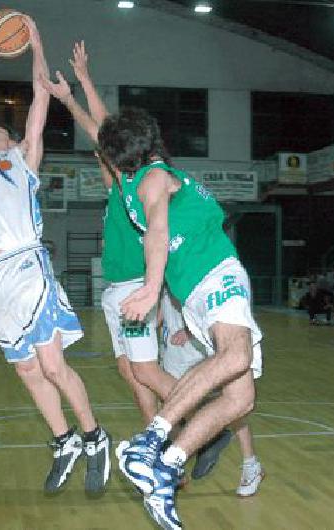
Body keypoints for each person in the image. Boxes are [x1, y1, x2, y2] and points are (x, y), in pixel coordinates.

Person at [39, 40, 232, 474]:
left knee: (144, 373)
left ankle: (199, 432)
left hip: (134, 287)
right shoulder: (122, 191)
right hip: (121, 290)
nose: (100, 153)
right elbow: (104, 130)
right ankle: (168, 440)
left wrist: (75, 91)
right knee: (131, 374)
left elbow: (101, 128)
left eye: (106, 152)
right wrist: (77, 88)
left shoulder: (141, 183)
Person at [0, 18, 110, 495]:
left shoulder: (24, 159)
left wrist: (37, 43)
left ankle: (94, 437)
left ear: (15, 142)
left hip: (26, 266)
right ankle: (63, 440)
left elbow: (40, 96)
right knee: (26, 369)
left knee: (51, 365)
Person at [97, 107, 263, 530]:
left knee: (240, 399)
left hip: (193, 289)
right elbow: (156, 230)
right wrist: (152, 289)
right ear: (149, 141)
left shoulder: (130, 182)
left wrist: (75, 91)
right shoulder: (154, 176)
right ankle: (149, 443)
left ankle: (166, 466)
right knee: (235, 354)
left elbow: (105, 133)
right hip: (213, 274)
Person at [159, 289, 265, 497]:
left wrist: (189, 332)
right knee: (171, 405)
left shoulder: (201, 275)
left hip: (199, 347)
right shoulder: (160, 280)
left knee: (234, 404)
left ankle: (250, 464)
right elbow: (158, 316)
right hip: (174, 350)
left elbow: (211, 311)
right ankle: (192, 454)